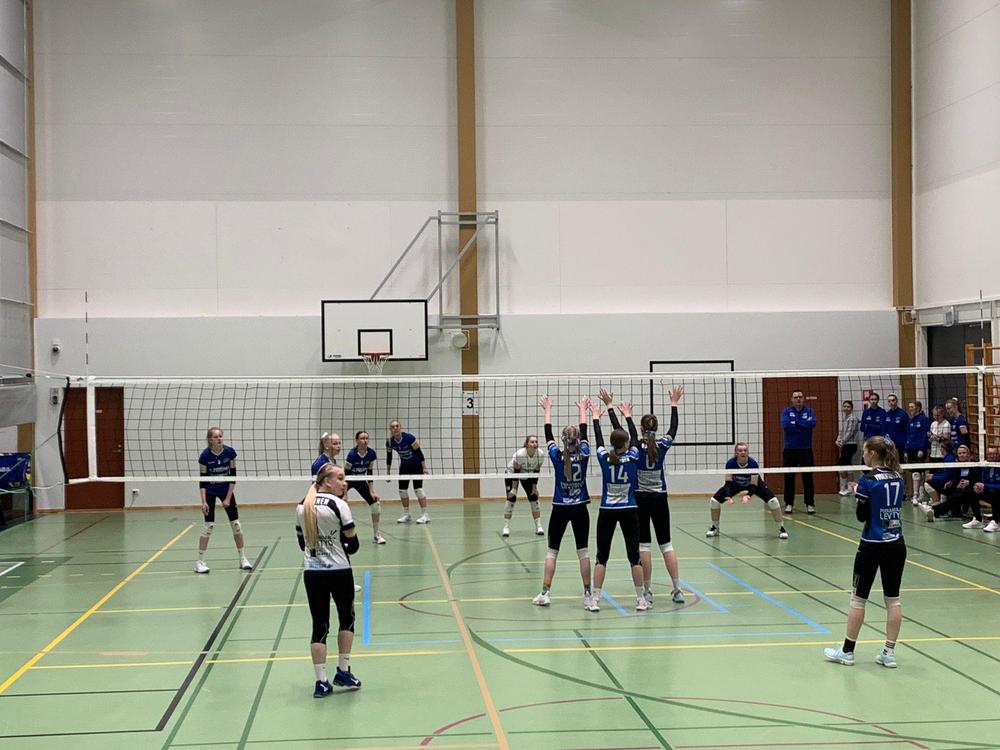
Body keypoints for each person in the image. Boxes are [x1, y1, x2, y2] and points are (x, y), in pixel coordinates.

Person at [823, 436, 906, 668]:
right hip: (896, 544)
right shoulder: (899, 477)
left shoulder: (867, 480)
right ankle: (889, 653)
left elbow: (862, 517)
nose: (863, 454)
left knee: (858, 599)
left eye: (865, 451)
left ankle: (847, 652)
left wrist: (858, 493)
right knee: (893, 599)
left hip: (872, 544)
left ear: (872, 453)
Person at [600, 387, 685, 606]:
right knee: (666, 544)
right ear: (656, 428)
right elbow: (673, 429)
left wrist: (613, 409)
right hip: (659, 498)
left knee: (644, 546)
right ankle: (677, 589)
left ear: (640, 429)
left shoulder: (635, 447)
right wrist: (674, 404)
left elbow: (620, 433)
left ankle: (647, 591)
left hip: (639, 499)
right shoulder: (663, 444)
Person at [296, 463, 362, 696]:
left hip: (312, 572)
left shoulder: (302, 505)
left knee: (319, 625)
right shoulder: (339, 505)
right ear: (326, 481)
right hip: (339, 571)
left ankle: (321, 682)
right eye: (340, 478)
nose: (345, 483)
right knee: (347, 619)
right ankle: (343, 671)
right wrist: (338, 545)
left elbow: (302, 543)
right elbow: (353, 545)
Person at [532, 396, 597, 611]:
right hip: (580, 508)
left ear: (563, 440)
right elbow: (584, 431)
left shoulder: (556, 456)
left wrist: (547, 410)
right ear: (578, 440)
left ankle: (545, 593)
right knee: (583, 552)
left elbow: (547, 433)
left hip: (560, 508)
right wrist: (583, 410)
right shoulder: (585, 454)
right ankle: (588, 595)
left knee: (552, 551)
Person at [591, 399, 649, 612]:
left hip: (607, 510)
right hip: (629, 510)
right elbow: (634, 436)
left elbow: (598, 439)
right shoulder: (633, 457)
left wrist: (595, 418)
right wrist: (627, 415)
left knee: (601, 557)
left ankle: (595, 599)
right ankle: (641, 599)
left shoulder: (604, 458)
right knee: (634, 557)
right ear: (625, 445)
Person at [195, 427, 252, 574]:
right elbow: (202, 481)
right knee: (208, 526)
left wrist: (227, 498)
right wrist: (203, 502)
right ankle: (200, 562)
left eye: (220, 436)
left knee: (236, 525)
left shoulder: (230, 453)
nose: (219, 438)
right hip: (210, 491)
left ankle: (243, 558)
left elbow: (233, 477)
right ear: (210, 440)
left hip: (226, 490)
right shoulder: (205, 456)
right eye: (216, 437)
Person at [706, 443, 788, 540]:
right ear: (736, 453)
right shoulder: (731, 463)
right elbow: (728, 483)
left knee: (773, 501)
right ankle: (715, 528)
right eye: (740, 450)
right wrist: (728, 496)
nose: (743, 452)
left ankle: (781, 528)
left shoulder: (753, 464)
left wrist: (748, 495)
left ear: (748, 452)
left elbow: (753, 484)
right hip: (735, 484)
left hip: (754, 485)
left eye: (745, 450)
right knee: (714, 501)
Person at [918, 444, 983, 527]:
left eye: (964, 453)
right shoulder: (957, 466)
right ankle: (936, 506)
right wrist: (952, 482)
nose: (962, 455)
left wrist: (969, 482)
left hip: (972, 488)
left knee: (959, 495)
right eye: (960, 453)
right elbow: (955, 478)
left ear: (968, 454)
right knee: (945, 486)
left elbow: (979, 480)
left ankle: (934, 510)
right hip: (958, 487)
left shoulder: (974, 466)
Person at [344, 430, 384, 544]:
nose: (365, 440)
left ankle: (376, 535)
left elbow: (370, 473)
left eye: (366, 438)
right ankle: (343, 537)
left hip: (361, 481)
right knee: (339, 504)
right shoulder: (352, 455)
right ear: (357, 441)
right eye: (362, 438)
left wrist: (372, 491)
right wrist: (345, 494)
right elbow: (346, 474)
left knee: (376, 505)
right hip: (349, 480)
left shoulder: (371, 454)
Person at [385, 420, 429, 524]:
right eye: (393, 427)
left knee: (418, 489)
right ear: (390, 430)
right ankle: (406, 515)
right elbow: (389, 457)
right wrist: (388, 472)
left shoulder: (409, 438)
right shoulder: (390, 442)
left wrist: (424, 467)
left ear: (400, 428)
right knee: (402, 490)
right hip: (404, 466)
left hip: (416, 466)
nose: (395, 428)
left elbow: (419, 452)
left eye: (397, 426)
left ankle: (425, 515)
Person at [780, 390, 817, 514]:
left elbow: (811, 424)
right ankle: (789, 503)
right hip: (790, 450)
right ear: (792, 399)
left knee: (808, 478)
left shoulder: (810, 411)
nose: (798, 399)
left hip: (806, 449)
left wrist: (796, 423)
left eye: (800, 397)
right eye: (796, 397)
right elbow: (786, 426)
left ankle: (810, 504)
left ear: (803, 398)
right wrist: (802, 425)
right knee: (789, 477)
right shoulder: (786, 411)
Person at [503, 435, 546, 537]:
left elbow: (537, 471)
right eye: (532, 442)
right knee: (511, 498)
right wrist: (514, 489)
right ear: (527, 444)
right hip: (512, 474)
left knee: (533, 496)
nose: (535, 444)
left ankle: (538, 526)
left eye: (536, 442)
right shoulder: (520, 454)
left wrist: (534, 488)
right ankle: (506, 527)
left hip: (528, 474)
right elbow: (516, 472)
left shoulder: (540, 454)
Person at [903, 401, 930, 504]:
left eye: (912, 407)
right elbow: (908, 435)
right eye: (909, 407)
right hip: (910, 448)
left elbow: (925, 435)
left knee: (920, 471)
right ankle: (916, 494)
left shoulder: (924, 419)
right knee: (914, 471)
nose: (910, 409)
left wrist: (922, 449)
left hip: (919, 448)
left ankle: (920, 494)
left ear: (918, 408)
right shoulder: (910, 420)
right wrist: (906, 449)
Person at [835, 400, 860, 496]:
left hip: (851, 445)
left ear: (851, 408)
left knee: (845, 465)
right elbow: (842, 432)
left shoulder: (852, 418)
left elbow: (850, 432)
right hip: (846, 445)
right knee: (844, 466)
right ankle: (846, 487)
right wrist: (838, 440)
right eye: (844, 406)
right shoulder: (845, 418)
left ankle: (849, 488)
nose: (846, 408)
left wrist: (842, 441)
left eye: (848, 406)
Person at [973, 447, 1000, 532]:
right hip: (991, 491)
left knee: (995, 493)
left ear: (998, 455)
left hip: (997, 493)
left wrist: (985, 486)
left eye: (994, 454)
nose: (992, 456)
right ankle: (978, 520)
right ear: (986, 455)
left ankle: (996, 522)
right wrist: (980, 487)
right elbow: (984, 481)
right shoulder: (985, 466)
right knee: (972, 491)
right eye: (990, 454)